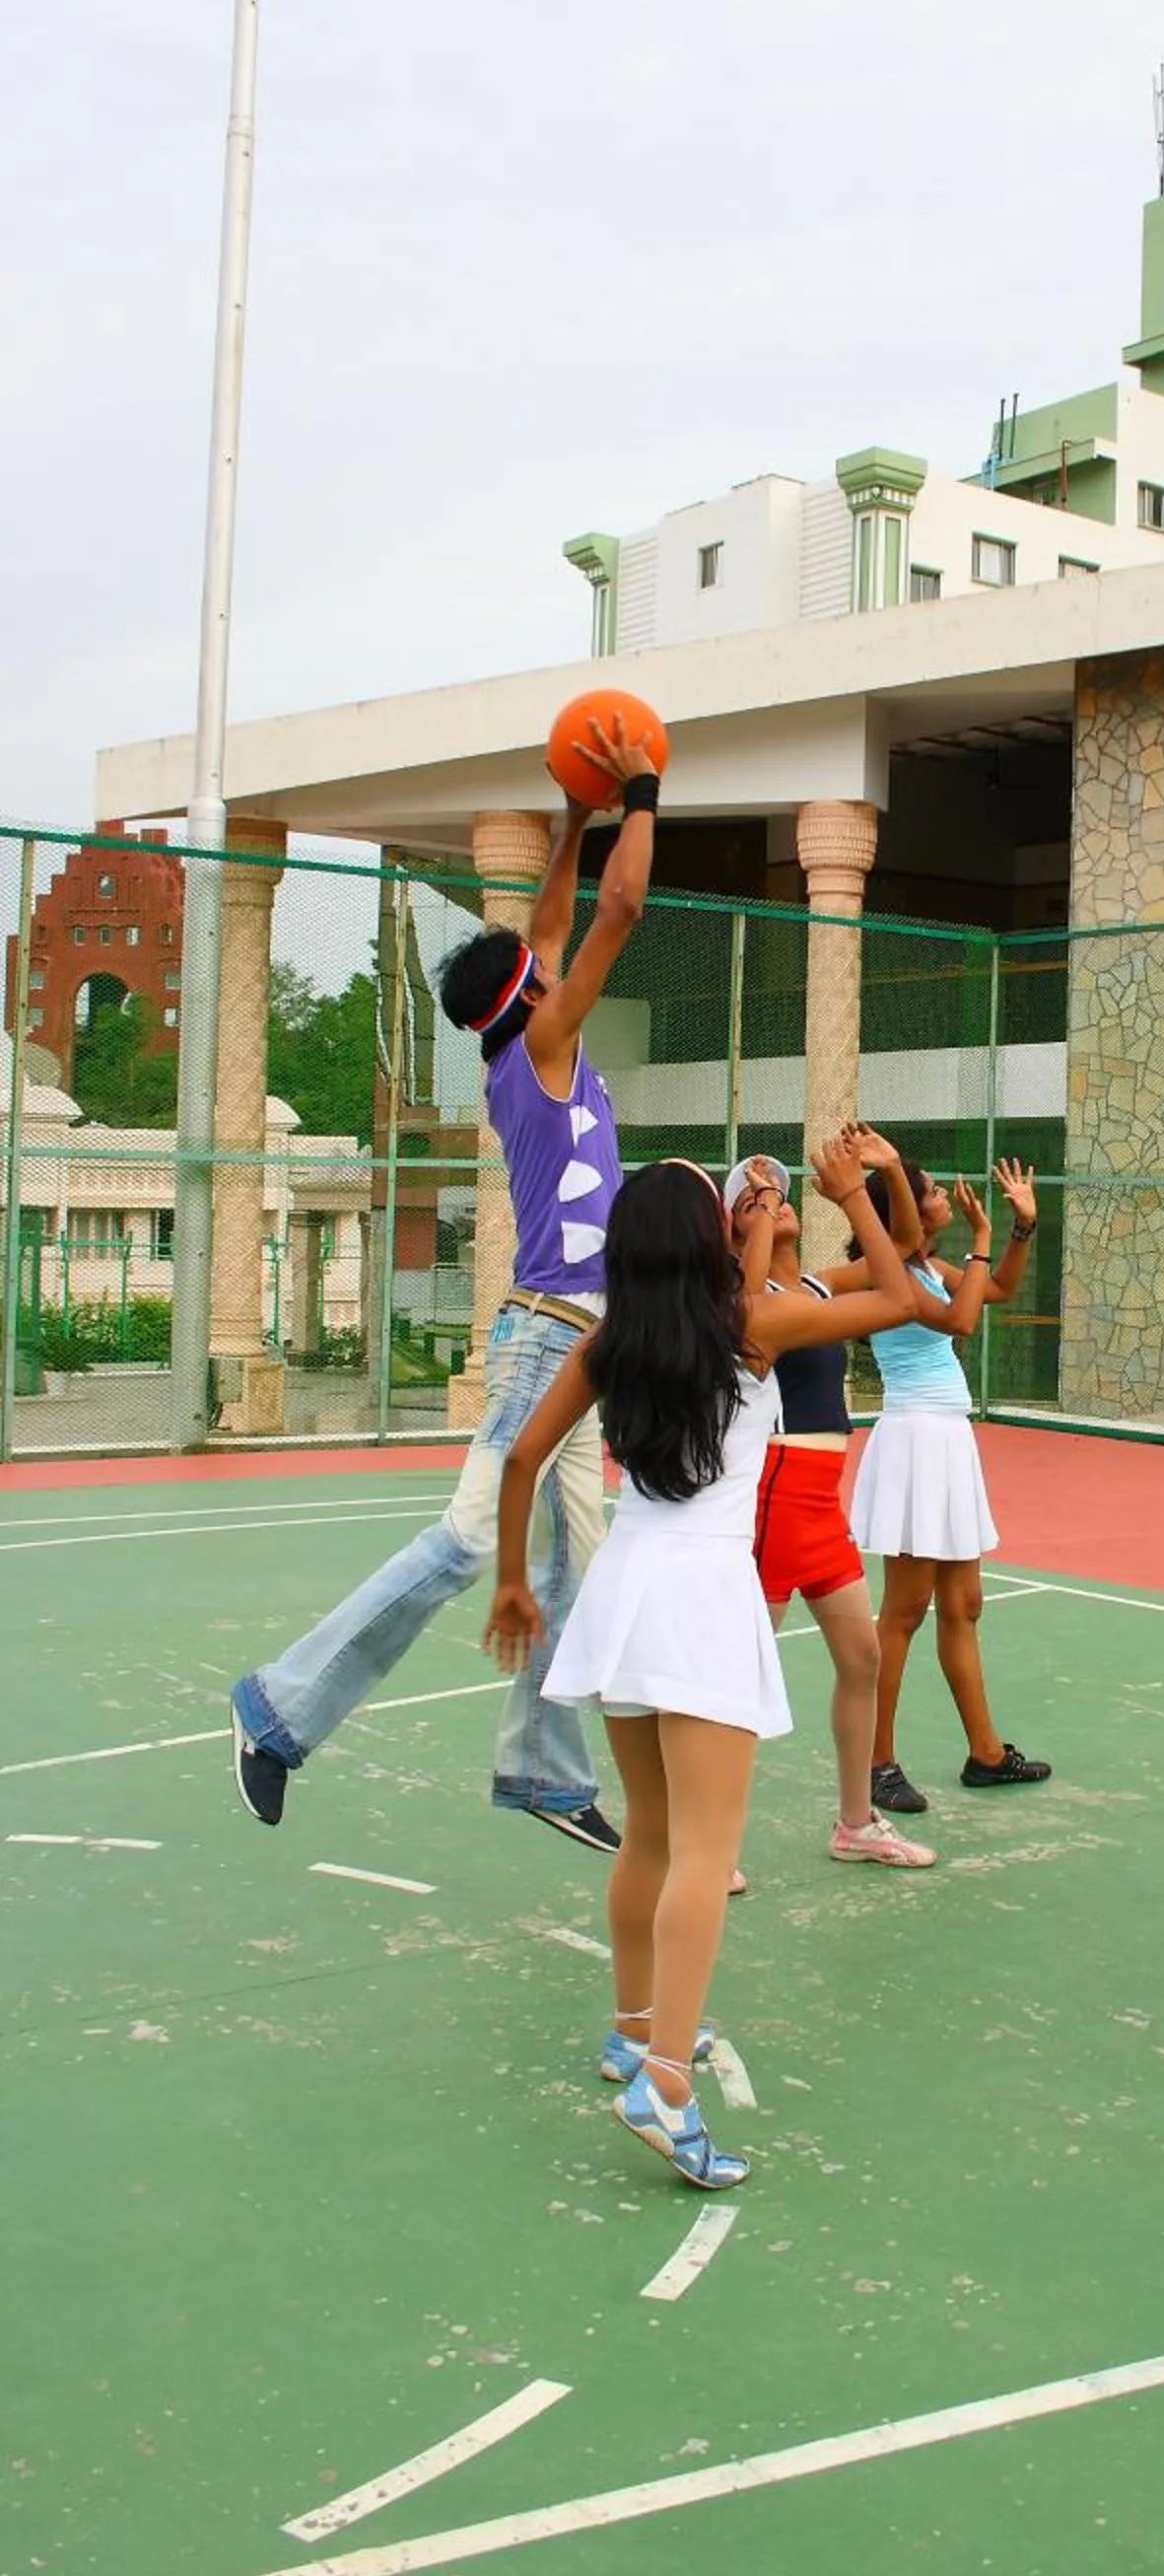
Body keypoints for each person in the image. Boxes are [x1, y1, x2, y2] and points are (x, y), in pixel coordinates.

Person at [230, 713, 662, 1849]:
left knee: (585, 1560)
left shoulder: (517, 1054)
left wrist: (573, 819)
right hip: (549, 1334)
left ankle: (543, 1773)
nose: (558, 972)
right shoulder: (547, 1050)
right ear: (531, 999)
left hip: (582, 1339)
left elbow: (561, 922)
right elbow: (617, 914)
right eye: (545, 976)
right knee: (472, 1540)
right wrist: (643, 793)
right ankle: (278, 1709)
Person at [484, 1134, 917, 2191]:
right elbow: (904, 1295)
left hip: (626, 1590)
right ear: (700, 1240)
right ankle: (666, 2083)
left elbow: (524, 1455)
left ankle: (634, 2032)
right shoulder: (752, 1324)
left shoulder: (609, 1341)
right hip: (702, 1597)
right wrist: (850, 1195)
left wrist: (512, 1579)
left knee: (653, 1839)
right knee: (700, 1855)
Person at [719, 1142, 936, 1871]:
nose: (773, 1201)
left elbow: (902, 1247)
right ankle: (711, 1845)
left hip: (820, 1503)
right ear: (732, 1232)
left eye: (778, 1194)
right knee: (743, 1675)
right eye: (753, 1200)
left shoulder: (810, 1287)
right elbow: (752, 1322)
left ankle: (855, 1823)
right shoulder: (747, 1305)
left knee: (862, 1656)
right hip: (775, 1494)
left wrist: (889, 1171)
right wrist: (759, 1225)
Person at [846, 1156, 1051, 1810]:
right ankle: (875, 1762)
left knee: (962, 1606)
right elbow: (962, 1320)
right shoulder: (891, 1276)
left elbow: (998, 1293)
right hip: (916, 1440)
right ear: (901, 1209)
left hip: (947, 1439)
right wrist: (985, 1240)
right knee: (903, 1613)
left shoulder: (930, 1269)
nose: (942, 1196)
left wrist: (1020, 1229)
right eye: (931, 1190)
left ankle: (985, 1754)